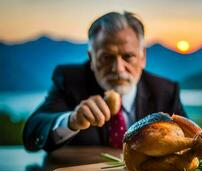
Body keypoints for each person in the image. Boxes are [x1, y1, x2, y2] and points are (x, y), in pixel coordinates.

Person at [23, 11, 186, 152]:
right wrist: (71, 121)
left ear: (143, 57)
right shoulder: (69, 80)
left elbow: (188, 139)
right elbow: (32, 133)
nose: (118, 68)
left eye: (128, 56)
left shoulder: (165, 91)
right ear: (91, 59)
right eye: (107, 57)